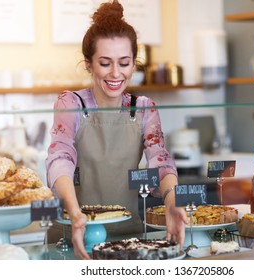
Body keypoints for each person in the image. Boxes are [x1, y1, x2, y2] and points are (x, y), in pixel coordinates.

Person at [46, 0, 188, 260]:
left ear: (134, 64)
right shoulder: (71, 103)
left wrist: (172, 201)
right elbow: (60, 157)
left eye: (124, 63)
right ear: (88, 64)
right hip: (75, 233)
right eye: (105, 62)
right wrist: (76, 215)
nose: (115, 73)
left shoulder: (143, 107)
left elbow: (161, 161)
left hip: (128, 236)